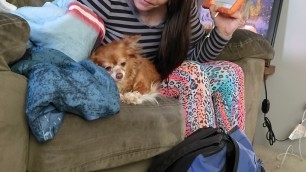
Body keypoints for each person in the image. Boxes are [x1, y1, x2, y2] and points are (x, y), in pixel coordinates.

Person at [78, 0, 245, 136]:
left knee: (230, 72)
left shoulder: (183, 8)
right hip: (122, 83)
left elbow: (193, 57)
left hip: (159, 78)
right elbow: (69, 45)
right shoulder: (105, 3)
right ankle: (201, 162)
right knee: (191, 73)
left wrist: (223, 33)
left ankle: (239, 160)